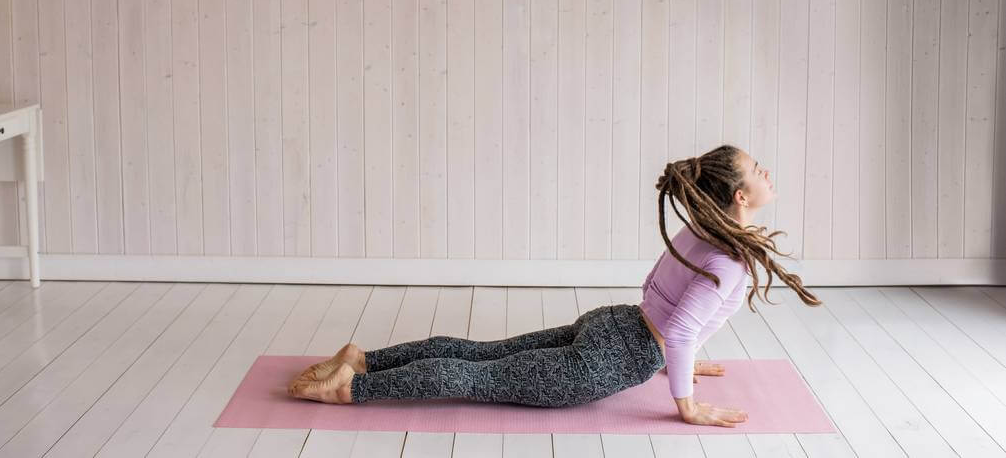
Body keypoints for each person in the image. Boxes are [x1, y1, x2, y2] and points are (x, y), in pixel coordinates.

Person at [288, 145, 822, 427]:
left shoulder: (702, 230)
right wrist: (685, 402)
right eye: (757, 169)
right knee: (479, 378)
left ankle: (364, 358)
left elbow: (664, 298)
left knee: (481, 356)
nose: (766, 172)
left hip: (613, 323)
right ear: (741, 197)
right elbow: (681, 330)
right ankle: (352, 385)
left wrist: (674, 353)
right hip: (611, 359)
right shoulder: (728, 256)